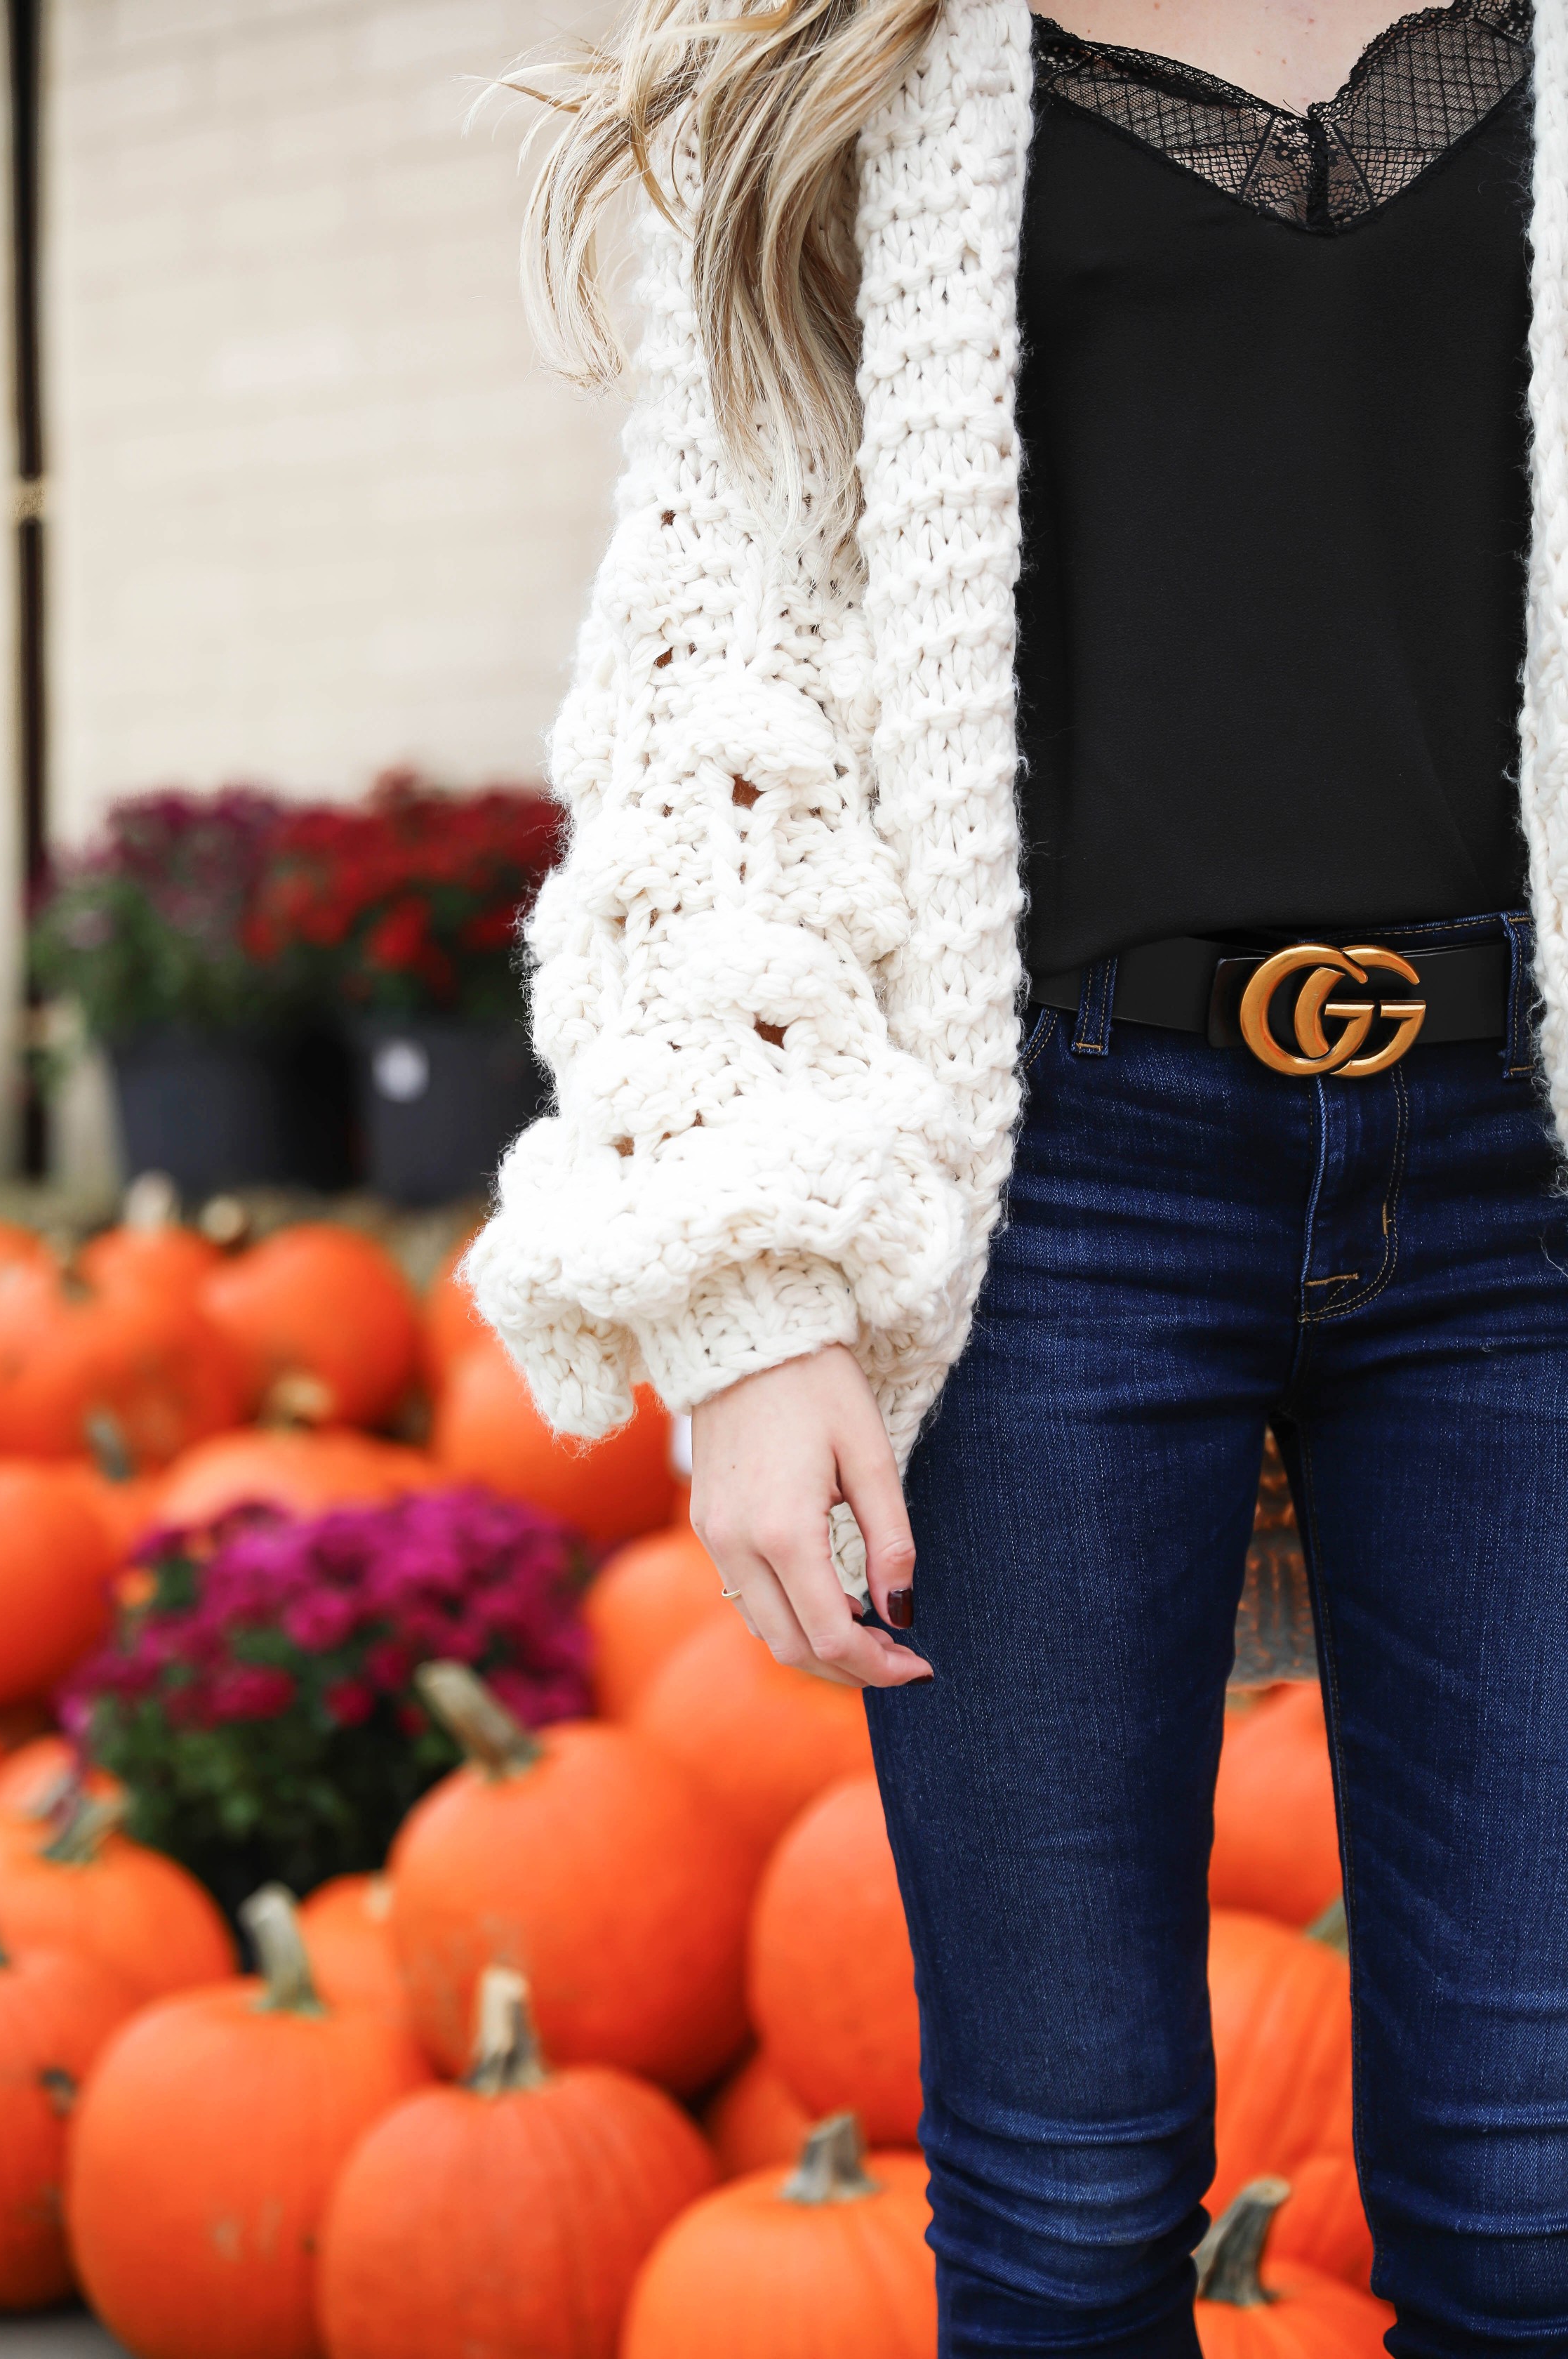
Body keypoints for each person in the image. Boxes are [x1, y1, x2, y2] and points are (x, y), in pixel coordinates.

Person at [466, 0, 1568, 2344]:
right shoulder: (848, 67)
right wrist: (756, 1297)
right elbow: (708, 687)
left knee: (1539, 2198)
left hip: (1527, 1197)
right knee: (1065, 2219)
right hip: (1057, 1193)